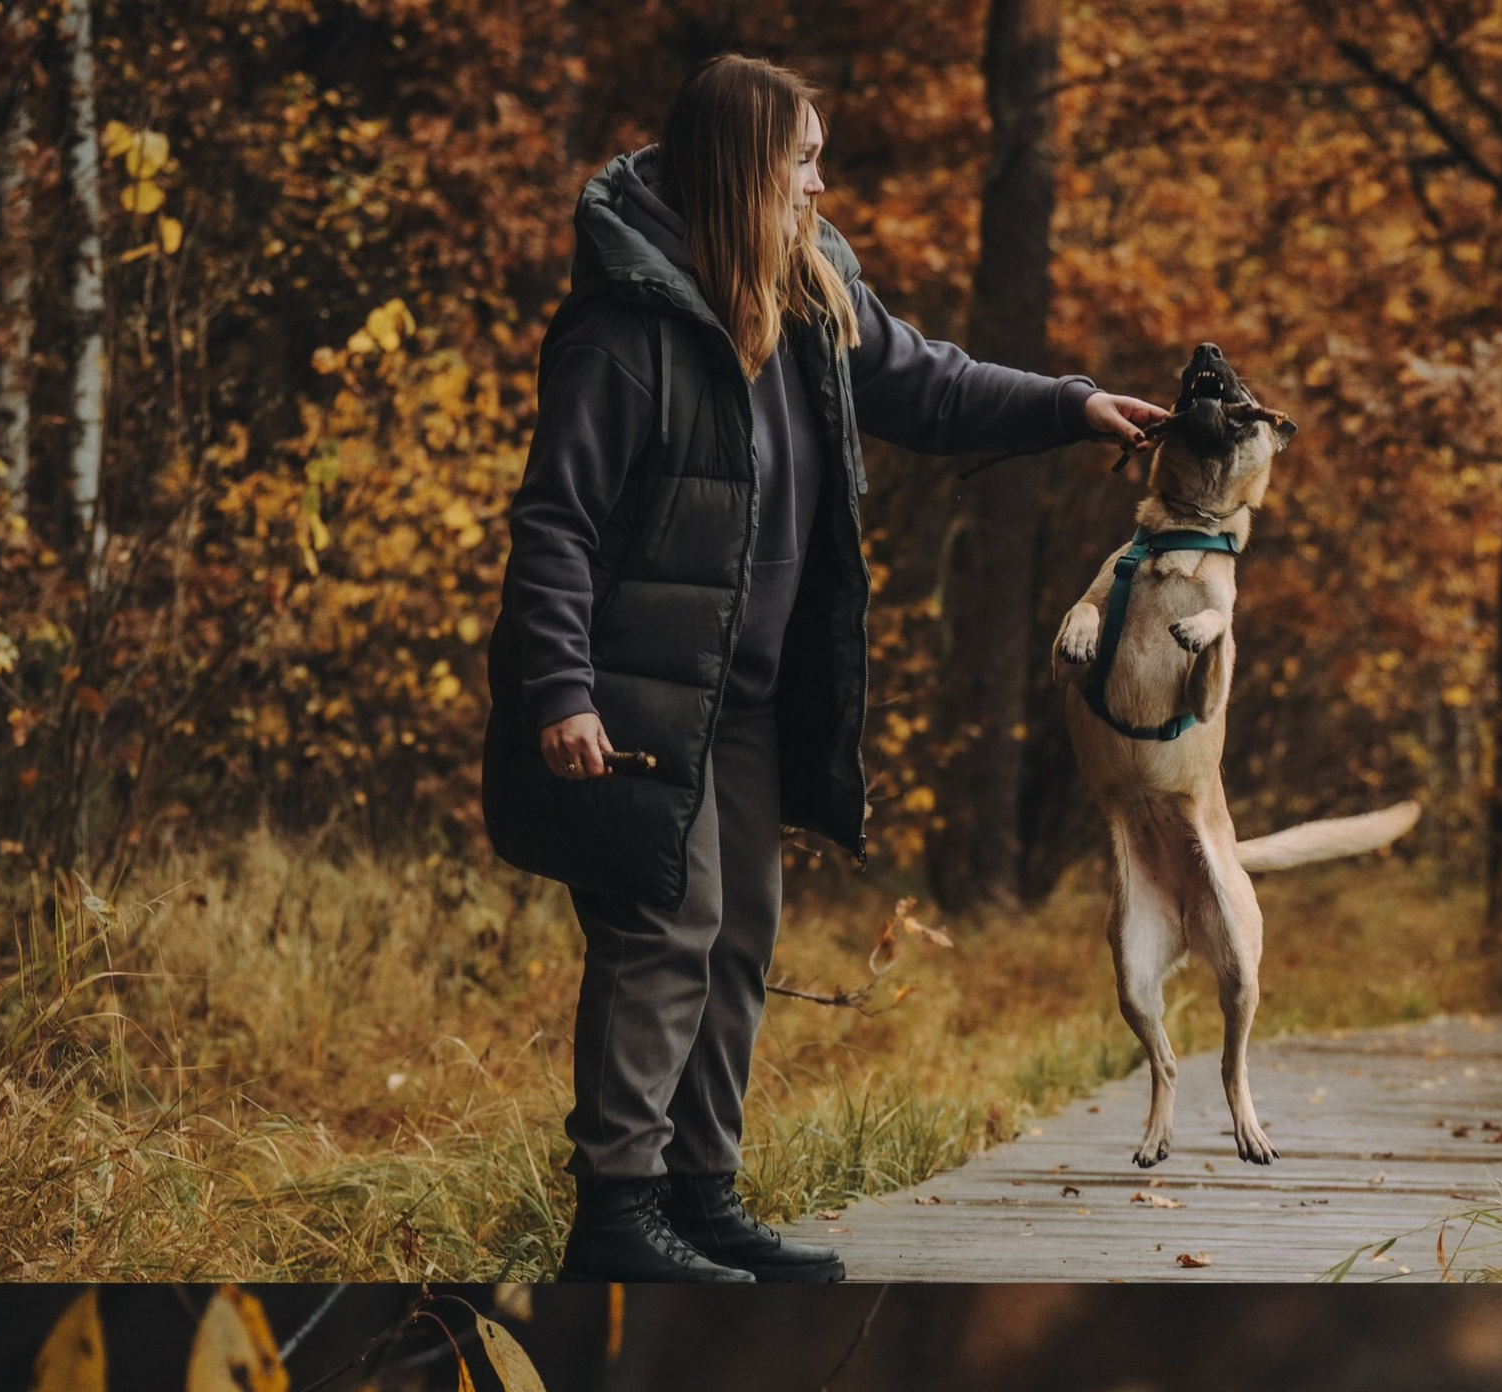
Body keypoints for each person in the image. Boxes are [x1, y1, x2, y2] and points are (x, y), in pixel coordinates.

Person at [488, 53, 1168, 1289]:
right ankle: (616, 1215)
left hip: (749, 694)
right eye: (802, 158)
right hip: (640, 693)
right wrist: (560, 691)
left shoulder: (811, 291)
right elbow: (557, 522)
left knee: (740, 929)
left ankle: (700, 1195)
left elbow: (928, 383)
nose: (820, 181)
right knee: (664, 929)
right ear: (747, 168)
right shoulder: (623, 329)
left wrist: (1070, 407)